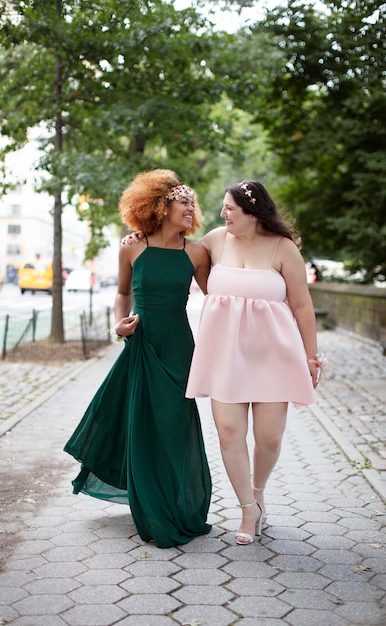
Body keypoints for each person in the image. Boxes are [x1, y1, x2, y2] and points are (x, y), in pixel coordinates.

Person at [123, 179, 322, 546]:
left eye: (229, 208)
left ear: (253, 212)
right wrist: (138, 235)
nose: (221, 213)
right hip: (225, 356)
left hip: (274, 357)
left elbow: (303, 305)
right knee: (230, 433)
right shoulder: (215, 241)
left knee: (269, 437)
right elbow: (170, 249)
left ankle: (258, 491)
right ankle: (248, 509)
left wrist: (311, 356)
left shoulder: (283, 248)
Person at [64, 169, 212, 549]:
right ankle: (150, 506)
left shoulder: (196, 254)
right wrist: (119, 324)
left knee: (175, 426)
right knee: (142, 426)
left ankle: (178, 502)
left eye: (192, 204)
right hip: (142, 345)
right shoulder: (131, 247)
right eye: (184, 202)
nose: (191, 209)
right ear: (160, 206)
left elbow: (219, 299)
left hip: (179, 349)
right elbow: (122, 294)